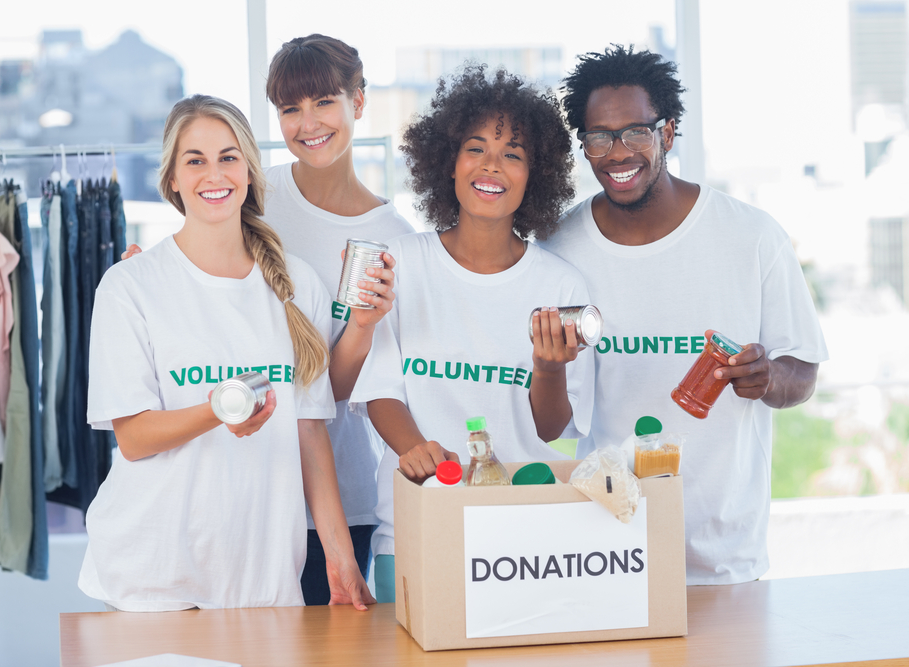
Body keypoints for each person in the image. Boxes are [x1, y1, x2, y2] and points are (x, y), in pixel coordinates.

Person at [124, 35, 410, 605]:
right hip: (234, 489)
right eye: (289, 108)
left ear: (358, 101)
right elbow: (187, 283)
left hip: (336, 489)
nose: (308, 123)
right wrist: (143, 276)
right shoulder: (247, 187)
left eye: (324, 101)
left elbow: (327, 395)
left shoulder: (396, 238)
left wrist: (361, 327)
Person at [542, 45, 829, 585]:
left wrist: (769, 379)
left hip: (726, 556)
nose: (617, 152)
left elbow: (804, 374)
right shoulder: (559, 248)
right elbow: (553, 416)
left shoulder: (752, 236)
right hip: (608, 549)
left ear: (668, 133)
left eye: (635, 131)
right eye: (599, 136)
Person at [79, 94, 373, 611]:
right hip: (154, 571)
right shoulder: (130, 285)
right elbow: (133, 438)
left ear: (250, 171)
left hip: (263, 573)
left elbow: (310, 432)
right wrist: (218, 410)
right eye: (195, 160)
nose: (213, 174)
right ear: (171, 177)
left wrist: (341, 555)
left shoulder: (299, 283)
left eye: (229, 157)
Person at [349, 65, 595, 602]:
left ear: (536, 175)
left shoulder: (560, 284)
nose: (492, 166)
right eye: (476, 148)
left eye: (514, 154)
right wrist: (416, 450)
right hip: (413, 526)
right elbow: (380, 391)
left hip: (525, 538)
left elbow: (555, 430)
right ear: (448, 162)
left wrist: (549, 370)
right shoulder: (404, 264)